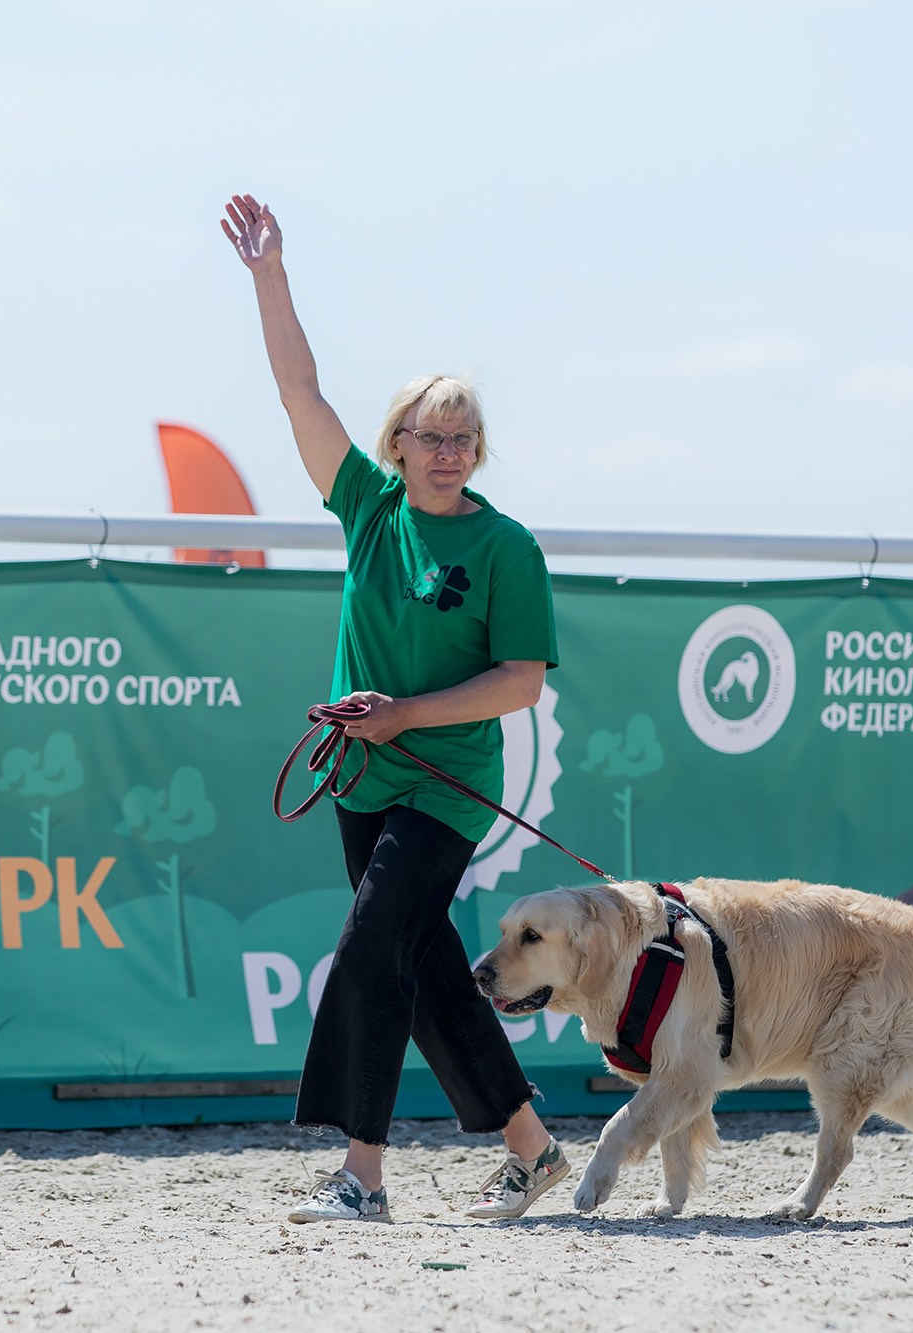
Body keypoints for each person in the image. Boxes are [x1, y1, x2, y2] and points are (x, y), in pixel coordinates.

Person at [222, 193, 570, 1223]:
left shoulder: (507, 547)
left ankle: (361, 1176)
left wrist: (403, 712)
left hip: (447, 787)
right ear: (399, 443)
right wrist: (269, 274)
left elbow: (519, 683)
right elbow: (297, 388)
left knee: (372, 956)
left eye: (466, 436)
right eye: (433, 435)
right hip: (362, 779)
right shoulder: (369, 510)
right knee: (423, 965)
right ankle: (533, 1148)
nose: (450, 450)